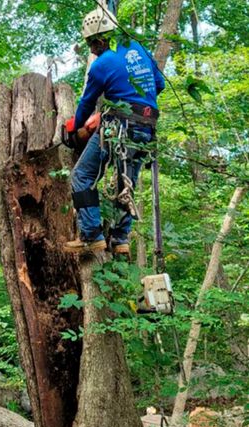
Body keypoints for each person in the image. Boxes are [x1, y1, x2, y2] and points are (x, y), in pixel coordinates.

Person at [64, 5, 165, 254]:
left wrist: (73, 129)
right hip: (147, 128)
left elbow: (86, 103)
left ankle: (91, 236)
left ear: (101, 38)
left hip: (119, 126)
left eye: (91, 43)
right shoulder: (139, 49)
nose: (91, 49)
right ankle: (120, 239)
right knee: (125, 183)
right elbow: (159, 84)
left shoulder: (101, 64)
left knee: (82, 176)